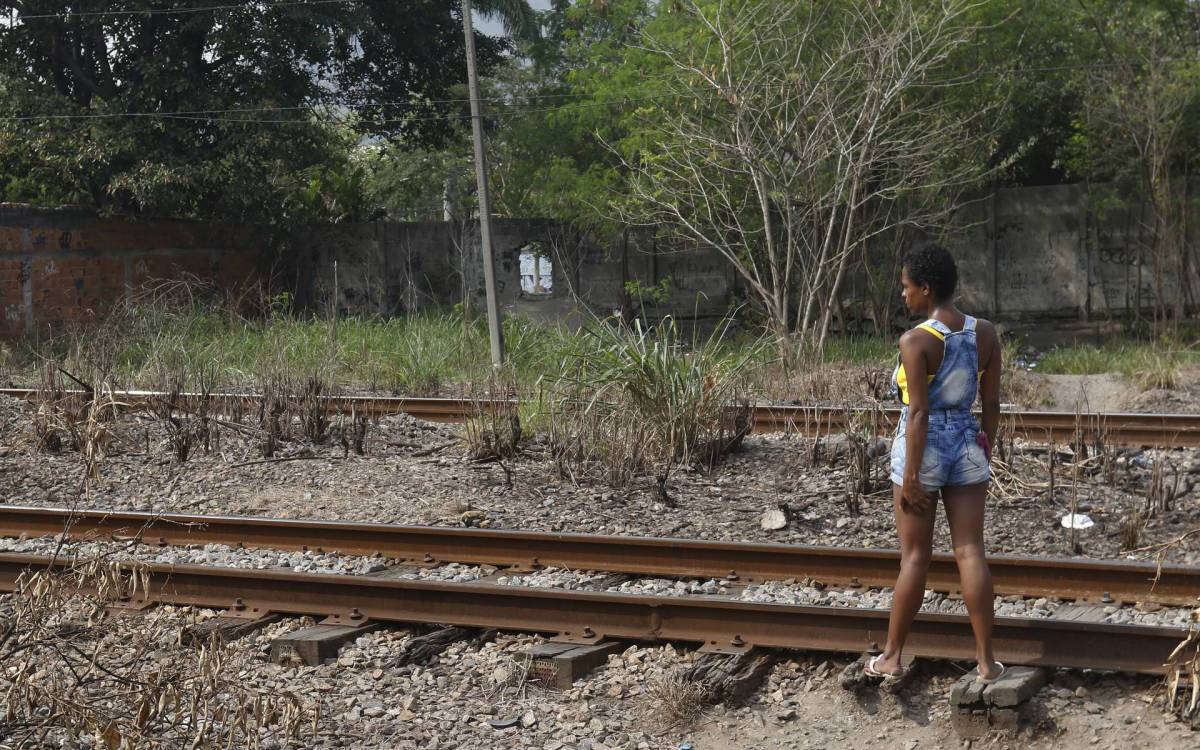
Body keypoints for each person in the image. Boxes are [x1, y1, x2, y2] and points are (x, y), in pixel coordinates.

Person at [865, 243, 1005, 683]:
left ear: (925, 288)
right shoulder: (986, 334)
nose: (903, 294)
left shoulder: (915, 341)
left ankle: (891, 657)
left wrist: (910, 476)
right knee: (971, 551)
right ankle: (986, 662)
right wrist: (986, 445)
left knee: (914, 558)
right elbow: (992, 402)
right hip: (967, 443)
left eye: (906, 286)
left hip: (922, 449)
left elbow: (919, 414)